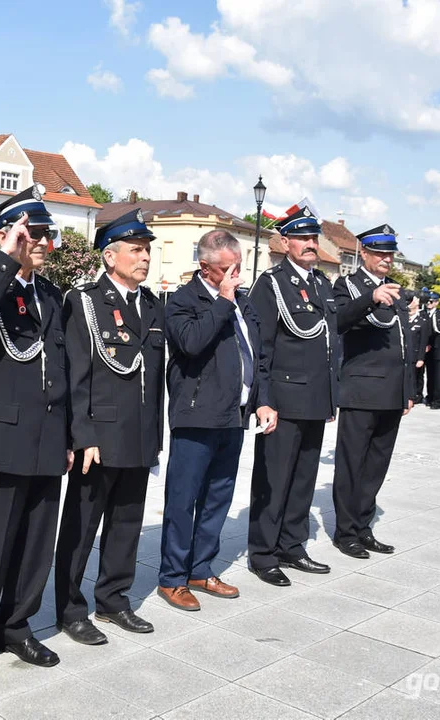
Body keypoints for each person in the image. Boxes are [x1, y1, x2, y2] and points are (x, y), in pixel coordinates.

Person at [0, 186, 72, 682]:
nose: (42, 242)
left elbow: (64, 368)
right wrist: (7, 257)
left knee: (36, 542)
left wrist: (69, 435)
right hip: (0, 438)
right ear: (6, 234)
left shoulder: (51, 295)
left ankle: (17, 624)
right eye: (33, 232)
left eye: (46, 232)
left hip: (47, 437)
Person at [55, 209, 164, 642]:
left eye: (147, 251)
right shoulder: (83, 301)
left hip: (138, 437)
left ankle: (114, 600)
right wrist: (83, 435)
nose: (145, 258)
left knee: (126, 525)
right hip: (98, 438)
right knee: (80, 529)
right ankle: (69, 608)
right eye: (136, 251)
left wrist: (155, 436)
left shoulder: (152, 304)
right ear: (109, 256)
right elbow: (75, 375)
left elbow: (153, 380)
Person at [159, 229, 268, 609]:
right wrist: (222, 302)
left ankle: (200, 569)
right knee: (182, 499)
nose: (236, 275)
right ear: (205, 267)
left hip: (233, 416)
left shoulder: (242, 300)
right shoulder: (182, 301)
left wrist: (262, 401)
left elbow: (258, 354)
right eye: (228, 268)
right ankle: (172, 577)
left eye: (239, 266)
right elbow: (190, 343)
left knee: (218, 497)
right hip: (196, 415)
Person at [246, 202, 339, 587]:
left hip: (315, 399)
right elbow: (260, 347)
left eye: (313, 238)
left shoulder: (322, 284)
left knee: (303, 478)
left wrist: (332, 396)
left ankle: (292, 544)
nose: (309, 244)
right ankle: (264, 553)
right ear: (284, 242)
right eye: (301, 237)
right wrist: (263, 400)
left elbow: (332, 344)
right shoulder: (270, 284)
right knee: (274, 479)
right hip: (282, 400)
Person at [331, 225, 412, 559]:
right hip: (361, 389)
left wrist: (409, 390)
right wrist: (369, 298)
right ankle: (346, 531)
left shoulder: (397, 290)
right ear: (363, 252)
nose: (386, 259)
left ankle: (364, 527)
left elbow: (405, 342)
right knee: (352, 463)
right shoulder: (347, 285)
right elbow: (339, 321)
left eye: (390, 253)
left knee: (377, 464)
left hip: (392, 391)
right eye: (379, 253)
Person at [414, 291, 438, 404]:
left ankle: (431, 396)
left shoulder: (439, 314)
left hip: (433, 349)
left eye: (431, 301)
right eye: (427, 301)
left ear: (436, 302)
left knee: (432, 374)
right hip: (421, 348)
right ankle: (418, 394)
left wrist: (430, 345)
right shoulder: (421, 313)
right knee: (419, 373)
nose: (429, 303)